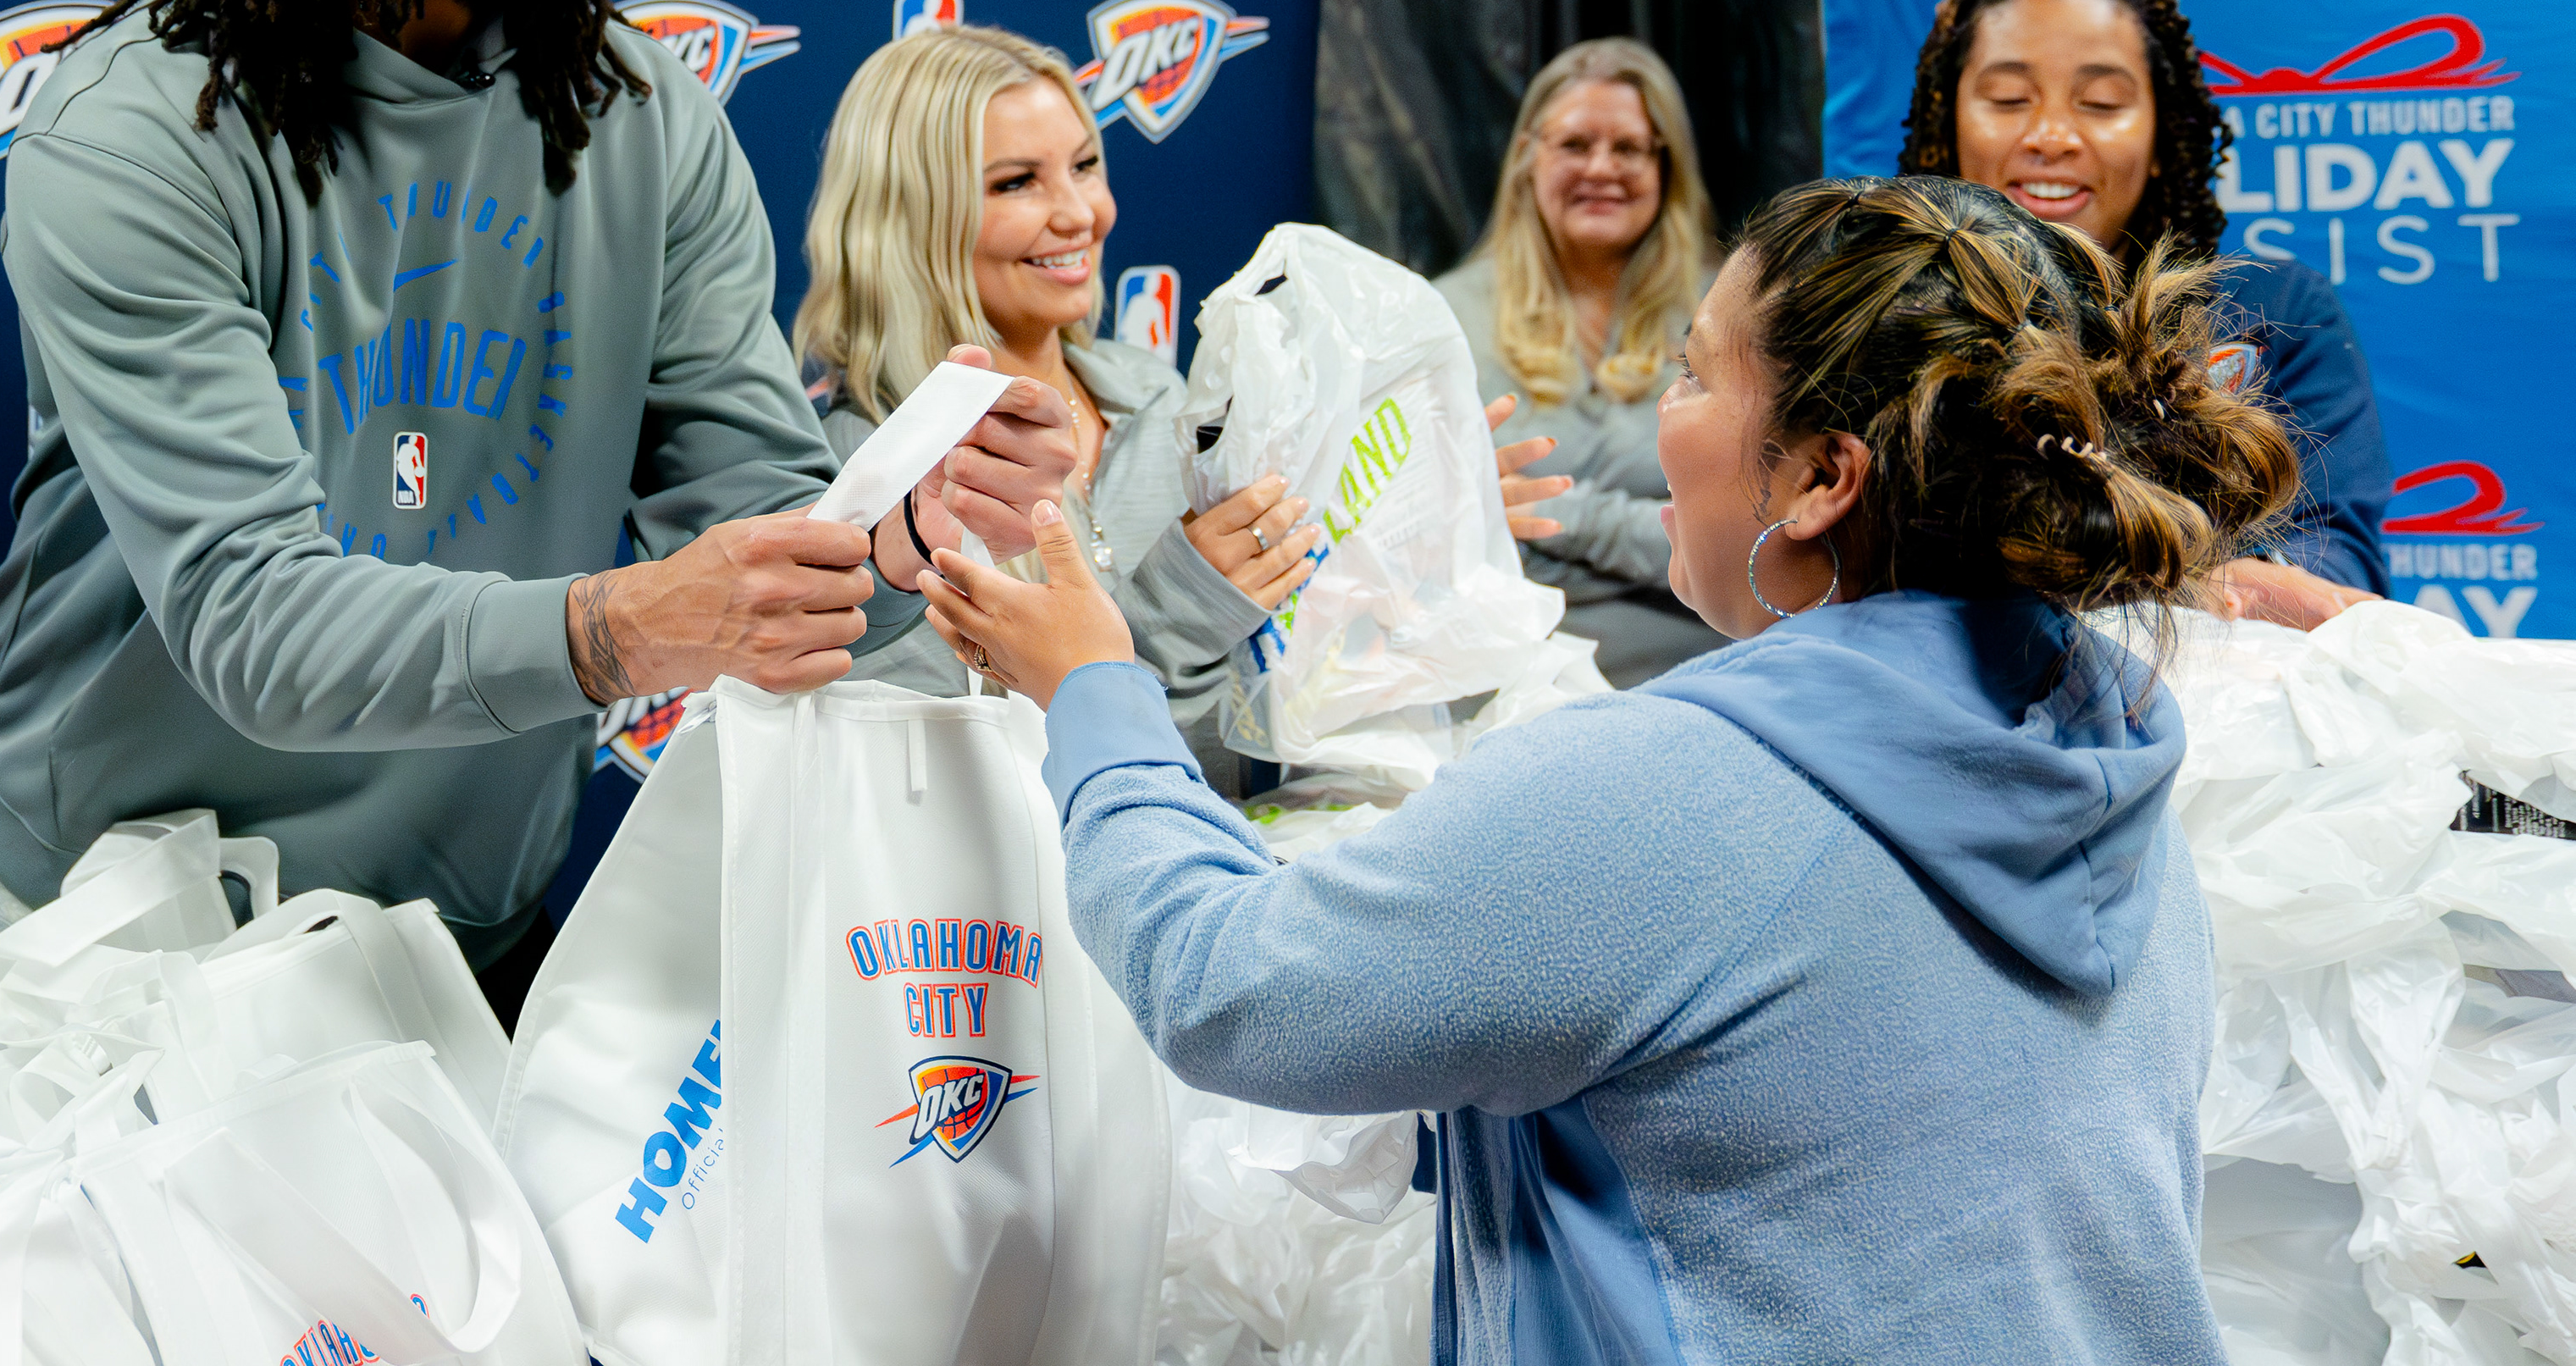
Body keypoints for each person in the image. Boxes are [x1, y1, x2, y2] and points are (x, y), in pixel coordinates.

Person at [0, 0, 1072, 1022]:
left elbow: (754, 530)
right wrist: (619, 632)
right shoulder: (137, 131)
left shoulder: (644, 121)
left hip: (459, 941)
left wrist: (909, 533)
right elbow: (253, 624)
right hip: (118, 950)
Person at [923, 174, 2294, 1363]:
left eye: (1693, 377)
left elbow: (1224, 986)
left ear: (1822, 478)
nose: (1658, 428)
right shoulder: (2110, 774)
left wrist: (1094, 688)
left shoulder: (1669, 798)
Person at [794, 24, 1569, 784]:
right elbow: (977, 779)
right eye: (1016, 182)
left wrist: (1408, 541)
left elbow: (1261, 726)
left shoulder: (1161, 396)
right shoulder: (864, 478)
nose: (1079, 213)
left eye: (1085, 166)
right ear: (910, 216)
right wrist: (1183, 600)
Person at [1902, 0, 2390, 624]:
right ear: (1949, 121)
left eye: (2100, 103)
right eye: (2009, 99)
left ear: (2162, 132)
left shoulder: (2274, 312)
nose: (2051, 136)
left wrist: (2233, 586)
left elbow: (2334, 557)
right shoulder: (1889, 314)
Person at [1434, 37, 1726, 685]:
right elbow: (1446, 549)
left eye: (1629, 148)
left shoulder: (1730, 314)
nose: (1601, 168)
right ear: (1527, 157)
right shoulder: (1445, 318)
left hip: (1703, 672)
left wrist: (1565, 521)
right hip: (1508, 678)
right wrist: (1666, 538)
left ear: (1666, 166)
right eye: (1574, 145)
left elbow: (1748, 540)